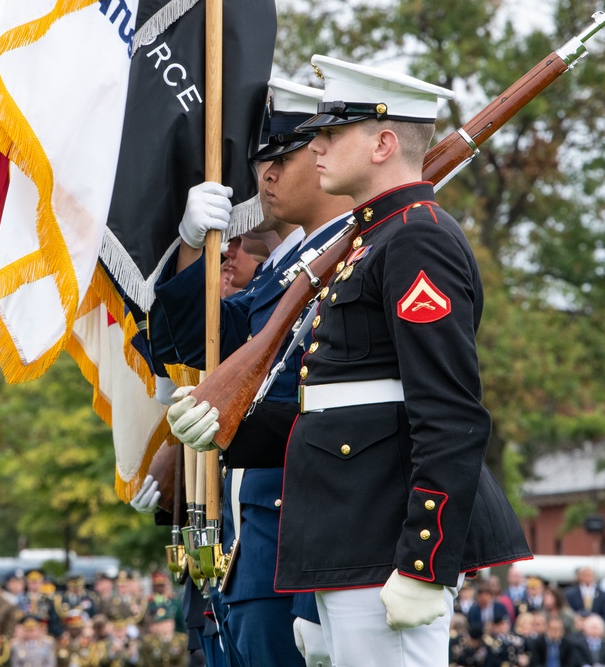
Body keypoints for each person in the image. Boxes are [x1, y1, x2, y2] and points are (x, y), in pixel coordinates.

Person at [248, 54, 532, 665]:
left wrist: (423, 562)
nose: (314, 147)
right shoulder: (374, 239)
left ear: (382, 142)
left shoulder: (415, 238)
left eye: (330, 133)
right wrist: (225, 429)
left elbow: (450, 412)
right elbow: (335, 402)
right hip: (351, 529)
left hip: (385, 540)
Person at [158, 77, 353, 666]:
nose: (264, 175)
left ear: (325, 155)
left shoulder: (357, 253)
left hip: (298, 548)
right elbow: (200, 340)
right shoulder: (285, 269)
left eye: (283, 157)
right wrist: (191, 246)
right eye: (260, 161)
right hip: (250, 550)